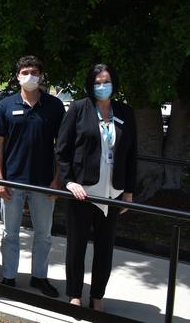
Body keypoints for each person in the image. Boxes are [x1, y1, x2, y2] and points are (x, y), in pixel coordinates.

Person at [55, 64, 137, 311]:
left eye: (107, 81)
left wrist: (129, 192)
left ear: (114, 83)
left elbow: (131, 154)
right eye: (98, 81)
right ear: (90, 84)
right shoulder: (79, 108)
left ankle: (98, 296)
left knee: (105, 248)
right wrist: (69, 181)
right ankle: (75, 294)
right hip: (83, 192)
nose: (102, 86)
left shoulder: (124, 111)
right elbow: (62, 149)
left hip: (113, 192)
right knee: (76, 246)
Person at [0, 55, 64, 297]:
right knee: (9, 233)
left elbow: (62, 147)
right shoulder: (6, 105)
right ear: (17, 76)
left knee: (44, 234)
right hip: (12, 180)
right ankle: (9, 277)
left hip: (44, 182)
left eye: (34, 71)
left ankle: (39, 278)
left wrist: (57, 179)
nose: (29, 76)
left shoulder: (54, 106)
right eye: (25, 72)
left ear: (41, 75)